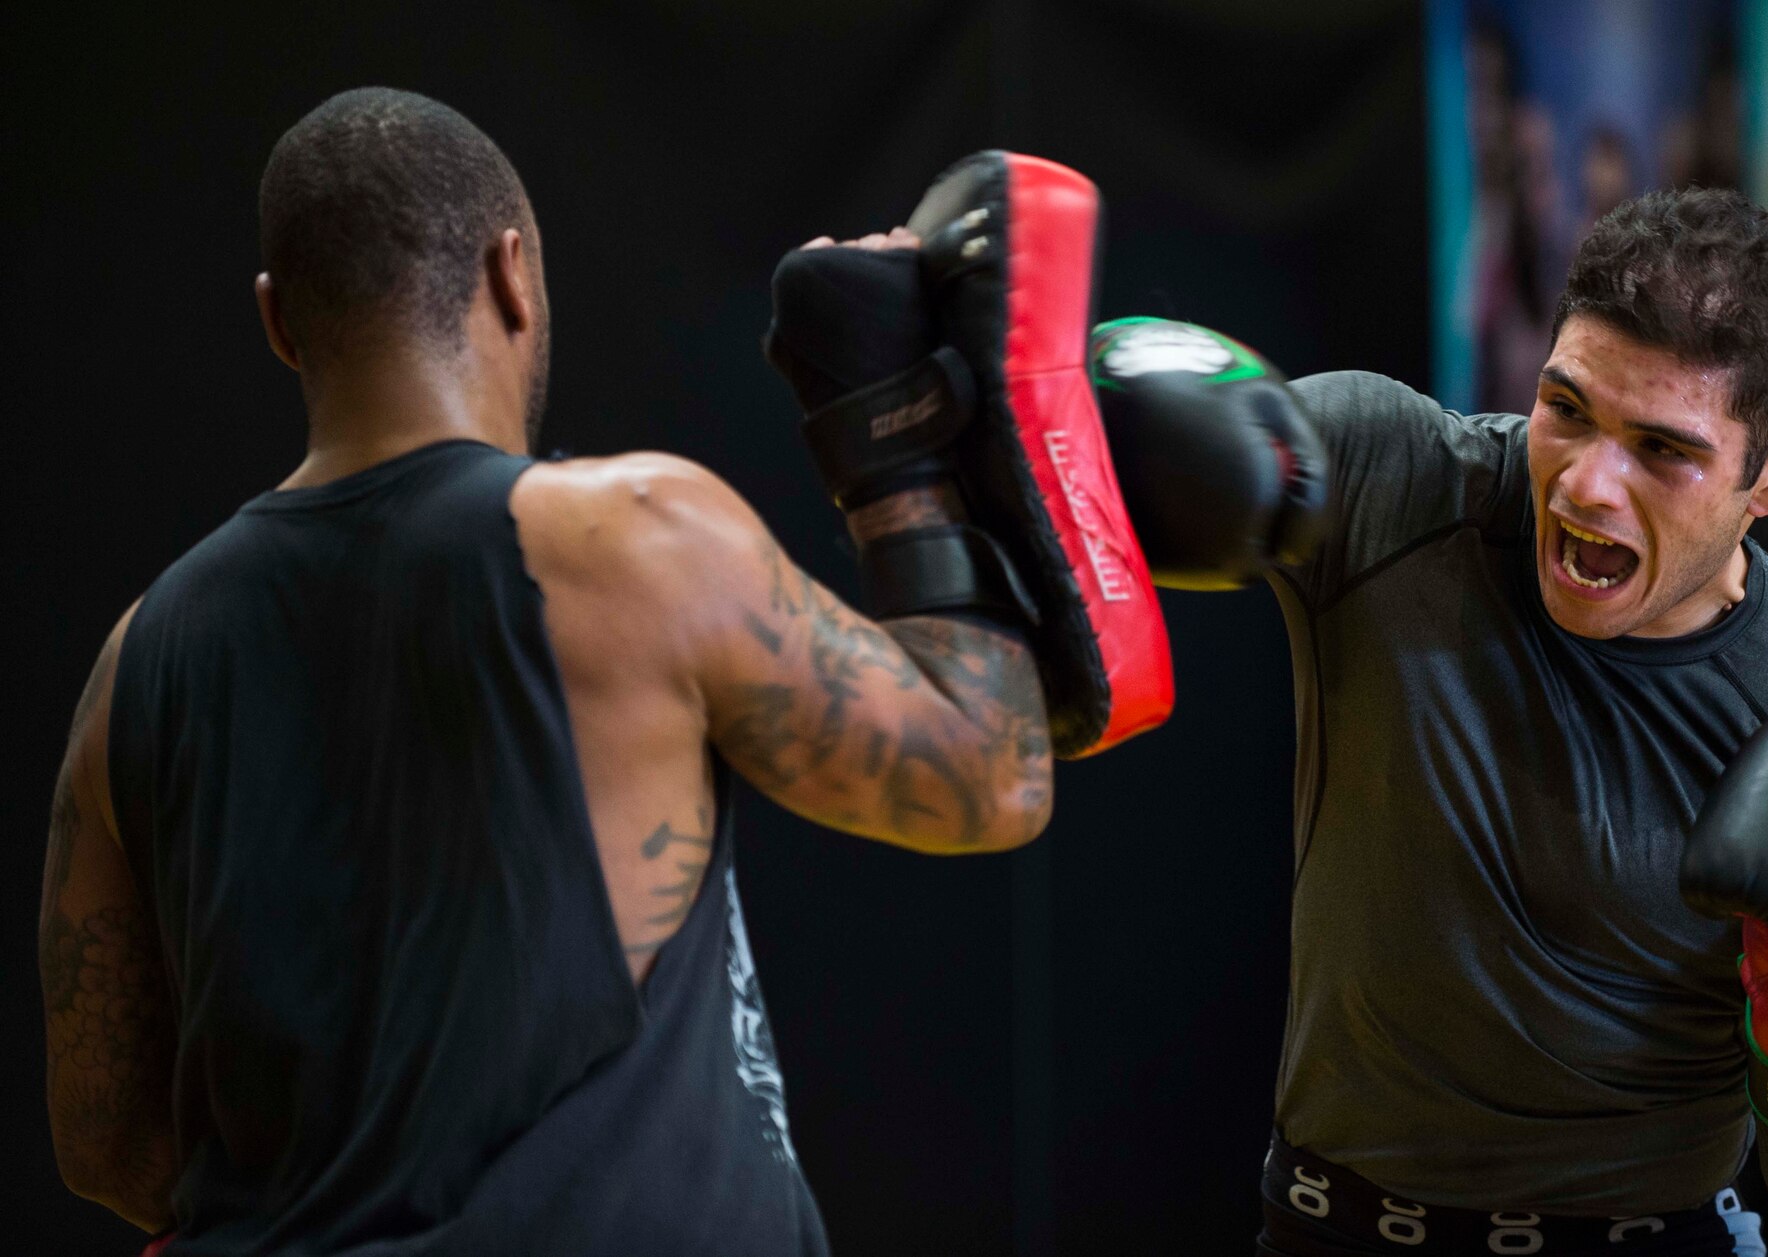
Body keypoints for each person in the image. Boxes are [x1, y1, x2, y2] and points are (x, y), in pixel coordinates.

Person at [37, 88, 1073, 1254]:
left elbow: (108, 1144)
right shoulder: (630, 535)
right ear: (510, 274)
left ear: (279, 322)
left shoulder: (135, 659)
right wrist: (889, 437)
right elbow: (992, 773)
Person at [1092, 188, 1768, 1256]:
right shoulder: (1393, 492)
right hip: (1323, 1228)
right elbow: (1094, 424)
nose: (1586, 483)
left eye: (1661, 450)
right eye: (1567, 408)